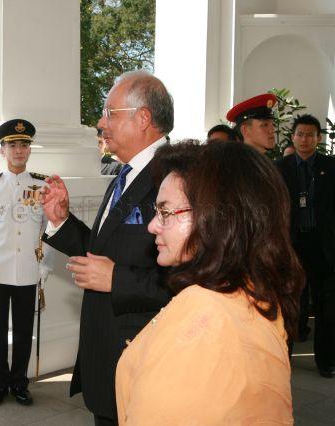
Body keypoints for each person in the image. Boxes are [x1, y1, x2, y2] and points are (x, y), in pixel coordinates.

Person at [116, 141, 302, 423]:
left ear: (217, 219)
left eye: (165, 212)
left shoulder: (206, 313)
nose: (152, 225)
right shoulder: (249, 290)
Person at [41, 70, 173, 425]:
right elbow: (104, 253)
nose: (101, 123)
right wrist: (62, 220)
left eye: (109, 113)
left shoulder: (174, 177)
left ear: (143, 118)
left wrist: (118, 279)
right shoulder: (125, 173)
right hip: (108, 355)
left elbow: (187, 281)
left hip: (142, 357)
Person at [0, 119, 54, 407]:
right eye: (12, 145)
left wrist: (46, 266)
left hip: (28, 270)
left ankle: (19, 382)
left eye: (24, 144)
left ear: (29, 149)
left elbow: (50, 229)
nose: (19, 150)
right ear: (2, 150)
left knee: (23, 330)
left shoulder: (42, 185)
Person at [277, 114, 335, 377]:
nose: (304, 139)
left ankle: (326, 361)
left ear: (318, 139)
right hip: (292, 244)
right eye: (300, 134)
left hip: (323, 246)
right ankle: (283, 358)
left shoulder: (330, 166)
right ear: (293, 137)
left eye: (310, 135)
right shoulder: (280, 167)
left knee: (327, 305)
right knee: (290, 303)